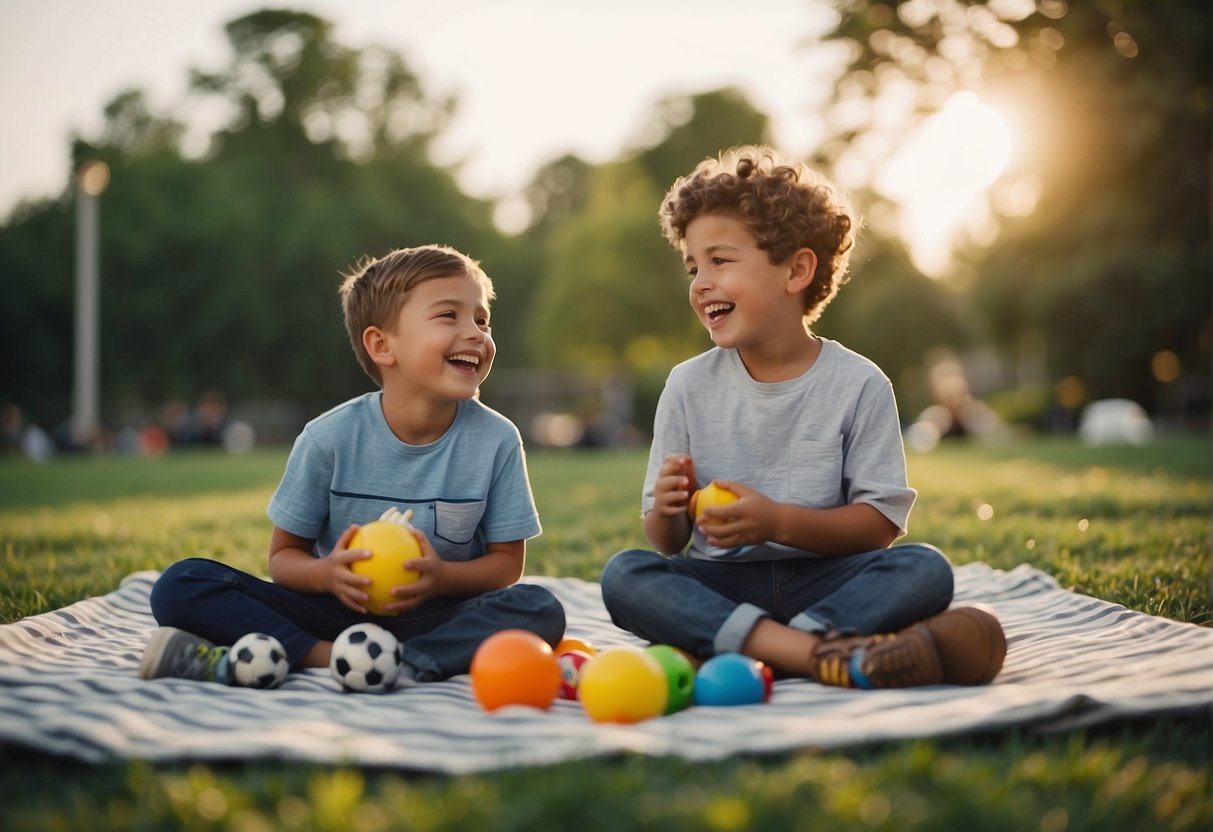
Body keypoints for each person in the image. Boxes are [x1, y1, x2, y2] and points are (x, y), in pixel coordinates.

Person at [600, 146, 1006, 689]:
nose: (699, 282)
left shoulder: (859, 384)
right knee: (626, 575)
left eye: (720, 261)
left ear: (797, 269)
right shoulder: (687, 386)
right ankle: (819, 653)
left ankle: (753, 644)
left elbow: (880, 526)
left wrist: (778, 523)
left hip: (827, 582)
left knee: (924, 568)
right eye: (693, 266)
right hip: (722, 579)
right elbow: (666, 543)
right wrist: (670, 509)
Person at [139, 245, 566, 687]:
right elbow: (283, 558)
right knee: (182, 583)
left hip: (439, 616)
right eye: (448, 316)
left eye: (482, 320)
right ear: (382, 345)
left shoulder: (497, 439)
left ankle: (401, 660)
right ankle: (330, 658)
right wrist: (327, 574)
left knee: (539, 607)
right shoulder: (328, 439)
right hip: (332, 615)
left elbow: (506, 566)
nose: (476, 333)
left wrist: (439, 578)